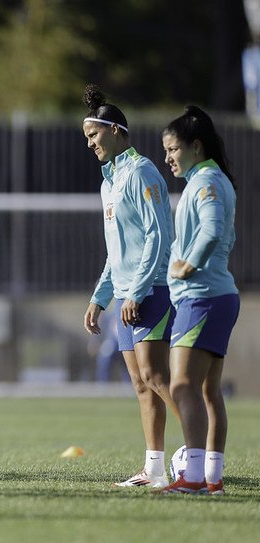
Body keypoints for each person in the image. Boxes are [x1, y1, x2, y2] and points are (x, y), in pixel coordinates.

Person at [81, 85, 177, 488]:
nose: (90, 144)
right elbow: (117, 250)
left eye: (94, 135)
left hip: (150, 290)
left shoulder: (142, 172)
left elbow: (159, 235)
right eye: (87, 137)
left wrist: (137, 291)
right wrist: (100, 297)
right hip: (123, 296)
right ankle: (154, 469)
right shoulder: (109, 182)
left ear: (116, 131)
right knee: (140, 384)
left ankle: (204, 456)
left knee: (156, 376)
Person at [158, 106, 239, 495]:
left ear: (196, 146)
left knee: (181, 386)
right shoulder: (210, 179)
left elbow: (212, 229)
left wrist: (187, 265)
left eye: (173, 149)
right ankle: (212, 478)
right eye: (166, 151)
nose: (168, 158)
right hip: (217, 297)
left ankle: (191, 477)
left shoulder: (206, 181)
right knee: (208, 392)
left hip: (202, 298)